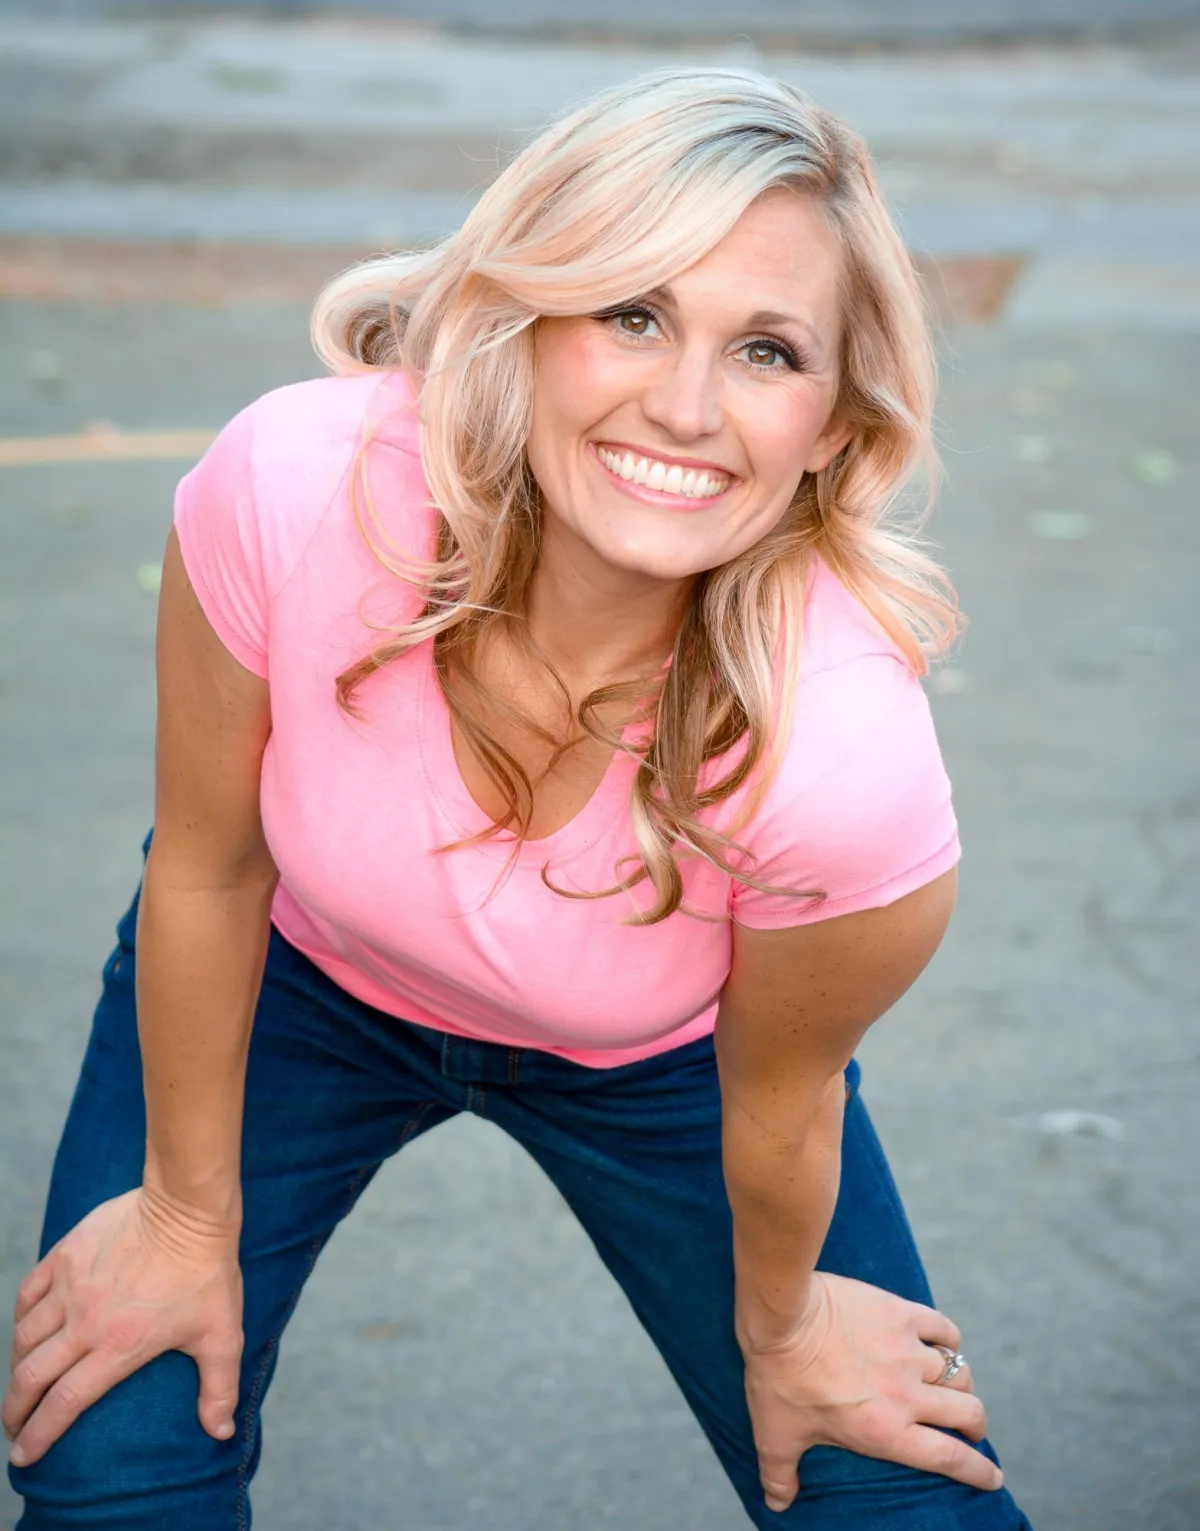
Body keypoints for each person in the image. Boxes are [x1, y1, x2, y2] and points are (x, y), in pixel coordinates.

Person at [4, 67, 1033, 1530]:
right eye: (631, 312)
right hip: (295, 976)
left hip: (677, 1062)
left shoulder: (840, 753)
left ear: (830, 424)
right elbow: (209, 869)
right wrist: (180, 1216)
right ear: (524, 318)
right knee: (106, 1455)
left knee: (894, 1493)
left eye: (764, 349)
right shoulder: (298, 489)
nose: (684, 405)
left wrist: (789, 1324)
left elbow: (786, 1093)